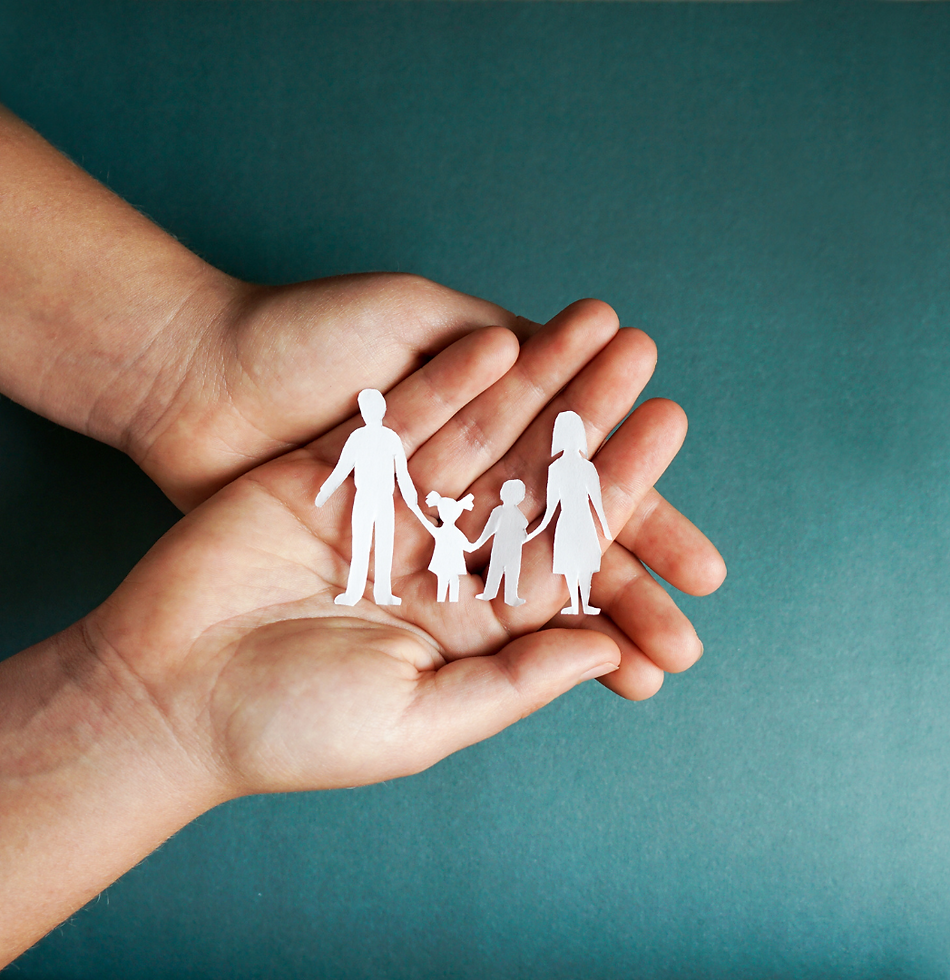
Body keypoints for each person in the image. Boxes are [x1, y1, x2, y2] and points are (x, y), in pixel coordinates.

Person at [0, 102, 727, 965]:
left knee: (507, 559)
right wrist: (149, 718)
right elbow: (355, 480)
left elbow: (424, 498)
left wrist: (188, 362)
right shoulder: (380, 454)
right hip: (388, 527)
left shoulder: (470, 472)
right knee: (404, 557)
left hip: (411, 527)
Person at [315, 388, 424, 606]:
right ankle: (353, 594)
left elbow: (402, 472)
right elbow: (342, 468)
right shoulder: (360, 437)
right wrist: (324, 492)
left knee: (383, 545)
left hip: (384, 499)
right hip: (365, 497)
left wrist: (411, 497)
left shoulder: (389, 437)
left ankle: (382, 594)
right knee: (362, 545)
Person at [526, 411, 612, 616]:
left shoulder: (586, 468)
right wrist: (535, 530)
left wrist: (605, 528)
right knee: (572, 563)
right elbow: (552, 505)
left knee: (586, 563)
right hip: (568, 520)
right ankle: (575, 603)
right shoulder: (555, 468)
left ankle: (583, 602)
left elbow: (597, 502)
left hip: (582, 519)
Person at [472, 479, 530, 607]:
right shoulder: (498, 511)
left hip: (514, 549)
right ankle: (489, 593)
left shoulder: (516, 513)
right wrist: (478, 543)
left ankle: (511, 597)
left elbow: (523, 528)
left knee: (512, 573)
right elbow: (489, 529)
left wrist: (523, 535)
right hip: (501, 547)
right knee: (496, 570)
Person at [421, 490, 476, 602]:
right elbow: (469, 548)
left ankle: (444, 600)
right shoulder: (455, 533)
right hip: (452, 563)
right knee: (453, 581)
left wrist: (415, 509)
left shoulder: (441, 532)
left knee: (445, 581)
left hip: (444, 563)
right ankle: (448, 600)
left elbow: (424, 522)